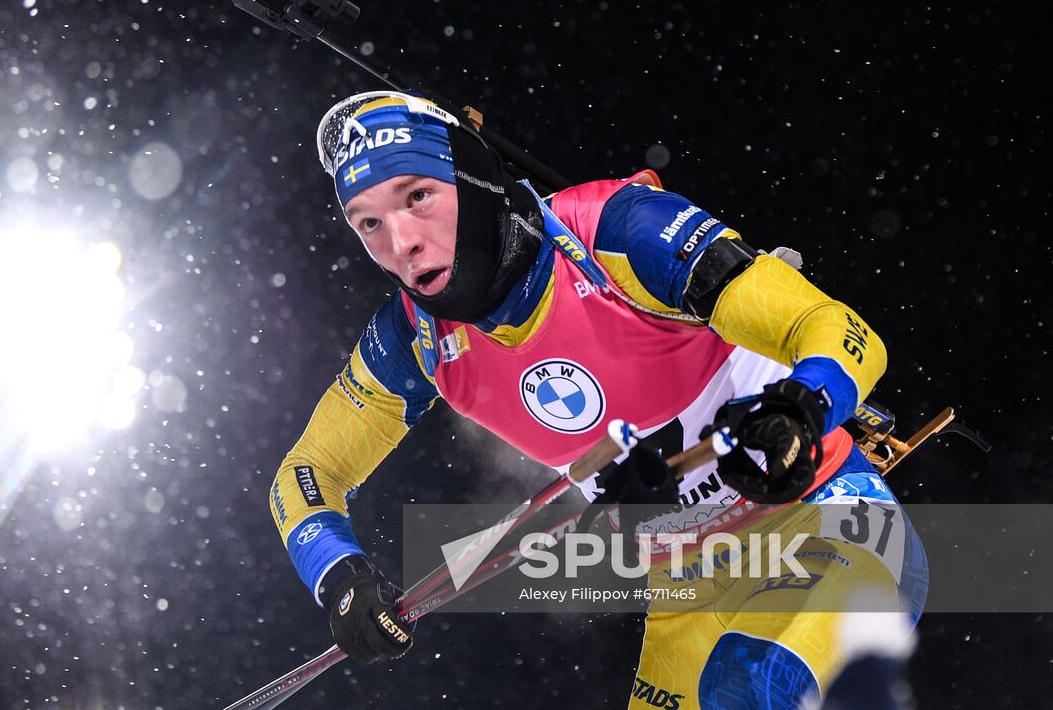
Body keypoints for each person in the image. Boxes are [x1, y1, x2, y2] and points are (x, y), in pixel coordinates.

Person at [268, 91, 924, 709]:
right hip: (688, 591)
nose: (401, 243)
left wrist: (801, 406)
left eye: (418, 196)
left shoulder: (612, 232)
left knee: (744, 684)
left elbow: (841, 331)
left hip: (828, 524)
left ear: (470, 178)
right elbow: (305, 476)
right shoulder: (414, 339)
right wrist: (340, 578)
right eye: (369, 223)